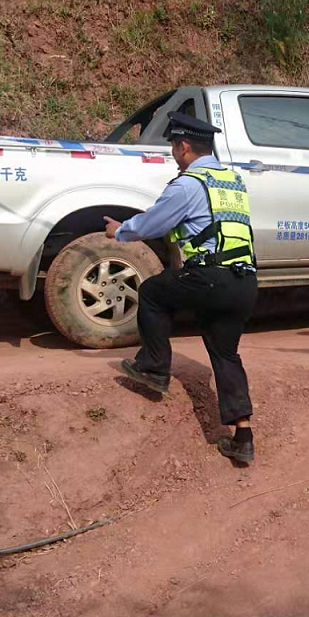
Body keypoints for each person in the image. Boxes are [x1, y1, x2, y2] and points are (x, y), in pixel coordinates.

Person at [103, 112, 260, 464]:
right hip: (244, 281)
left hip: (212, 277)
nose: (174, 155)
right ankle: (243, 436)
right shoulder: (231, 180)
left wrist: (120, 230)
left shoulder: (189, 184)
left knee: (153, 293)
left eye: (174, 148)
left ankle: (154, 368)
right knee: (225, 354)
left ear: (184, 146)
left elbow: (154, 222)